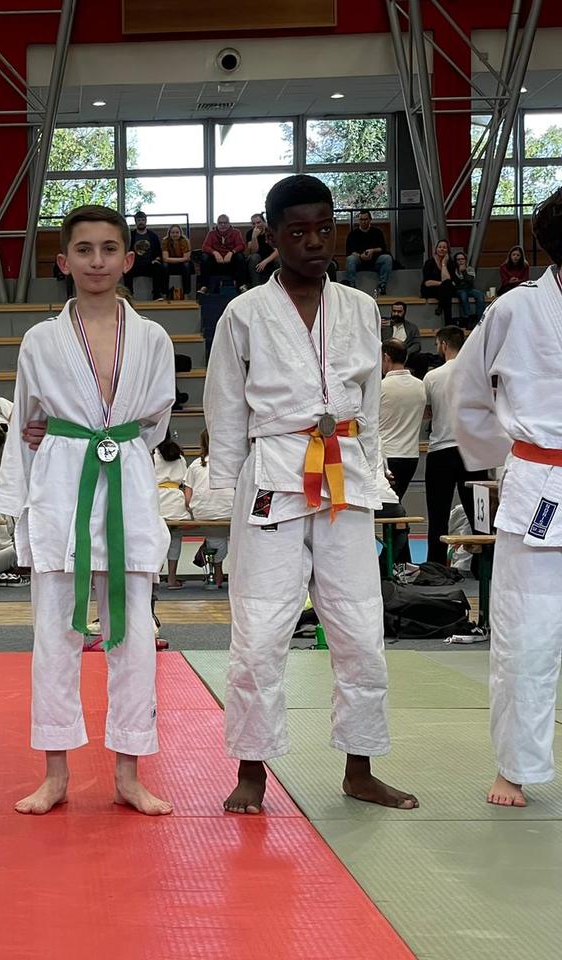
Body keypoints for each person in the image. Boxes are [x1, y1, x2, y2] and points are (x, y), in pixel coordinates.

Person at [204, 174, 417, 815]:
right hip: (273, 472)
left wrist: (375, 475)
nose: (315, 242)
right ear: (272, 235)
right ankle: (251, 769)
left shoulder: (360, 307)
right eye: (298, 231)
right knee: (260, 629)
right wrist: (225, 494)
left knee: (360, 626)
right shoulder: (244, 313)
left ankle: (360, 766)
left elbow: (369, 407)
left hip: (344, 470)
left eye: (325, 229)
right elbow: (225, 408)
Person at [0, 203, 176, 818]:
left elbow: (154, 423)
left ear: (129, 259)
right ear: (63, 260)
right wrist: (54, 447)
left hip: (125, 481)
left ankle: (129, 772)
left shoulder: (153, 338)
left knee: (135, 637)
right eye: (84, 249)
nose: (97, 260)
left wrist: (107, 438)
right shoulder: (41, 340)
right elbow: (27, 417)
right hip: (62, 484)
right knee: (54, 635)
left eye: (109, 249)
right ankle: (55, 773)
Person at [452, 185, 562, 808]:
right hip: (541, 484)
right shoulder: (515, 310)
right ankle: (514, 768)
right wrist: (507, 460)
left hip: (537, 477)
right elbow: (468, 394)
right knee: (527, 635)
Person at [422, 326, 488, 569]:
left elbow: (427, 412)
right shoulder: (478, 374)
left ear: (442, 345)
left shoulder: (432, 377)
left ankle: (436, 566)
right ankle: (484, 566)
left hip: (441, 449)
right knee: (480, 515)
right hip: (473, 449)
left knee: (438, 513)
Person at [183, 429, 232, 589]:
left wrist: (194, 508)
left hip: (203, 512)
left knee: (215, 536)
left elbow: (188, 499)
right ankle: (221, 573)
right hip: (230, 510)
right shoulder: (231, 462)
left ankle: (215, 571)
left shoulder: (195, 464)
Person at [379, 340, 426, 499]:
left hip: (387, 455)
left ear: (386, 357)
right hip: (411, 456)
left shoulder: (381, 387)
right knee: (396, 501)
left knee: (387, 505)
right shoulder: (420, 386)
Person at [153, 436, 190, 589]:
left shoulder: (151, 454)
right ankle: (172, 578)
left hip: (156, 499)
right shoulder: (178, 455)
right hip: (175, 501)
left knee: (154, 538)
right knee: (175, 537)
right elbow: (185, 480)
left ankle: (154, 575)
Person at [344, 210, 394, 296]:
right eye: (361, 219)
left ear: (370, 219)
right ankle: (352, 285)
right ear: (359, 220)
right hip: (359, 261)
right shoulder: (353, 234)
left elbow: (382, 248)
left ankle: (382, 285)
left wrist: (372, 250)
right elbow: (350, 252)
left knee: (387, 258)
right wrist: (360, 256)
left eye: (365, 219)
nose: (363, 222)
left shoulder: (377, 232)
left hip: (375, 260)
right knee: (350, 259)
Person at [197, 214, 248, 294]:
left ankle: (242, 285)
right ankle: (204, 286)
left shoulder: (236, 232)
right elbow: (205, 247)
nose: (223, 225)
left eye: (225, 223)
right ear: (217, 224)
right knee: (204, 257)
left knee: (240, 256)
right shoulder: (211, 233)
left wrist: (231, 252)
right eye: (220, 223)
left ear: (229, 223)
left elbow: (241, 246)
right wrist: (215, 253)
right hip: (216, 262)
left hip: (231, 262)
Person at [124, 211, 167, 300]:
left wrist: (156, 259)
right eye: (139, 220)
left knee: (158, 267)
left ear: (146, 221)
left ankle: (157, 295)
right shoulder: (131, 236)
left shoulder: (153, 236)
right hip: (135, 265)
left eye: (143, 220)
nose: (141, 222)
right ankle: (129, 295)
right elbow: (126, 250)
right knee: (126, 269)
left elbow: (158, 252)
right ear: (135, 222)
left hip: (149, 265)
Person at [422, 239, 456, 324]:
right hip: (431, 290)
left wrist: (444, 264)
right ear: (436, 249)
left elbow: (448, 279)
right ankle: (448, 322)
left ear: (447, 250)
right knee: (447, 288)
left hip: (444, 291)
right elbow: (427, 283)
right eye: (440, 247)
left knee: (446, 290)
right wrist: (443, 283)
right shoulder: (429, 263)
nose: (442, 249)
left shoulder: (450, 263)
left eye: (444, 247)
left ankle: (440, 306)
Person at [451, 251, 486, 328]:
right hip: (459, 290)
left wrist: (464, 272)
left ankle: (479, 318)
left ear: (465, 260)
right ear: (455, 261)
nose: (461, 261)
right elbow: (456, 284)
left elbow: (470, 281)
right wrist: (463, 282)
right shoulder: (453, 270)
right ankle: (468, 318)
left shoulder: (470, 269)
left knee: (480, 295)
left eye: (462, 259)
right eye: (458, 259)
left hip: (470, 288)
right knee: (463, 295)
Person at [245, 214, 279, 289]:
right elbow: (253, 251)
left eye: (258, 222)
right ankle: (255, 286)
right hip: (256, 259)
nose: (256, 225)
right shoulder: (250, 233)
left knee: (278, 262)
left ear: (264, 222)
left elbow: (278, 250)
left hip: (269, 258)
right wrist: (254, 237)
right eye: (253, 224)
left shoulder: (270, 232)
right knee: (254, 257)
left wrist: (265, 261)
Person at [161, 224, 194, 299]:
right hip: (171, 265)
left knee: (186, 265)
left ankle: (186, 293)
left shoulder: (185, 241)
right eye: (173, 232)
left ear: (180, 233)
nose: (175, 234)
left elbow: (187, 258)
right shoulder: (165, 241)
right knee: (164, 266)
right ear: (169, 233)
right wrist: (181, 259)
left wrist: (171, 259)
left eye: (177, 232)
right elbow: (165, 258)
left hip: (182, 265)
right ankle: (164, 293)